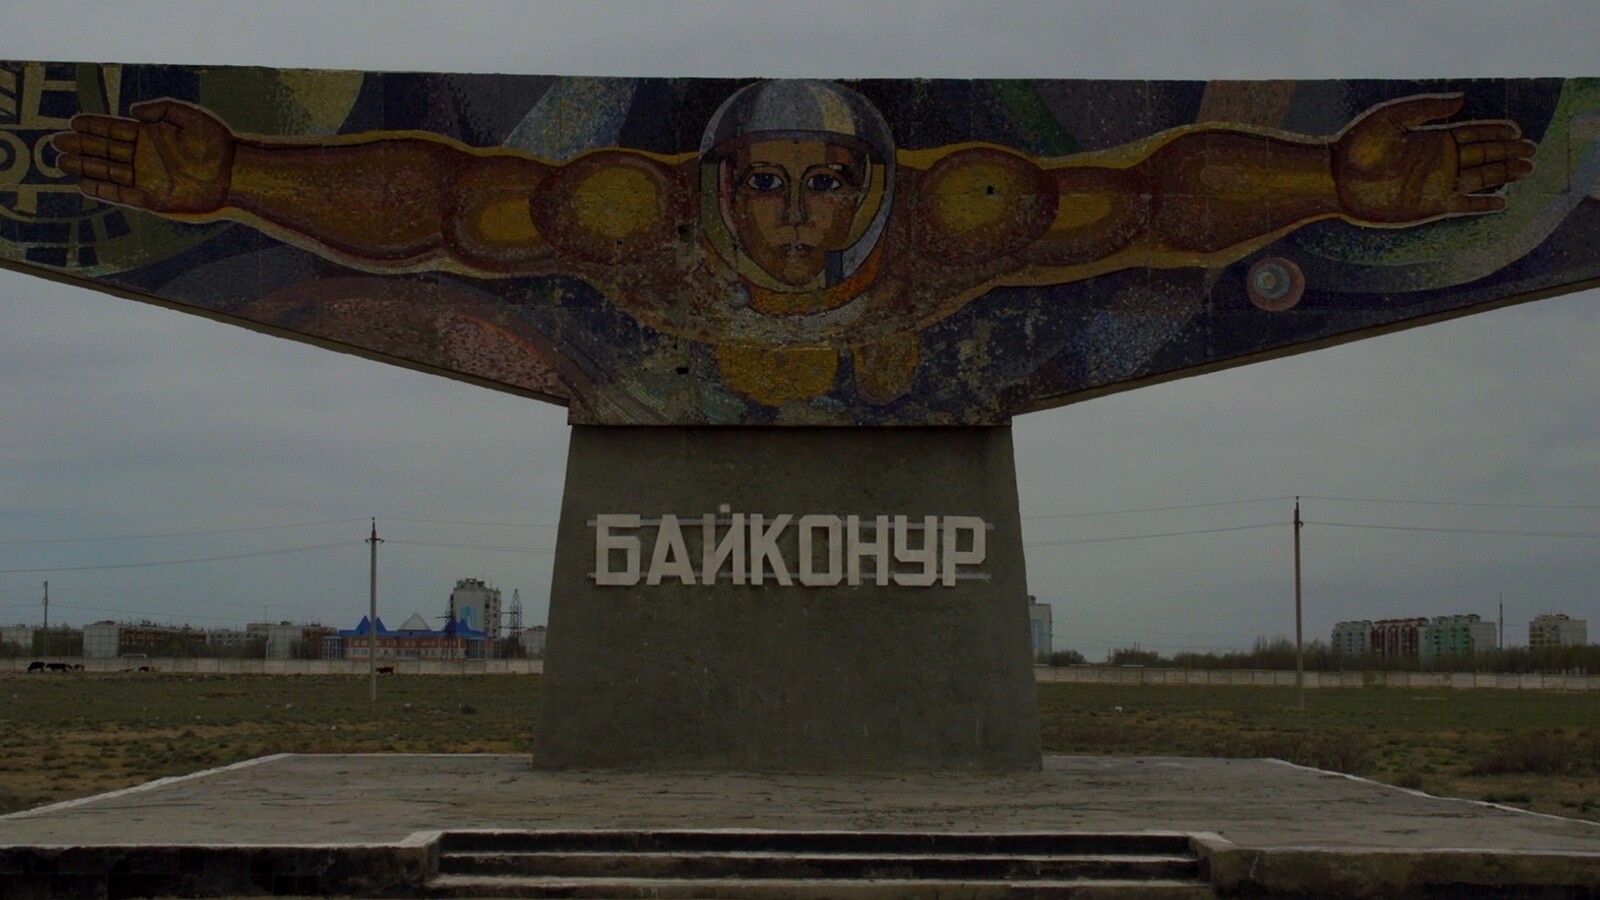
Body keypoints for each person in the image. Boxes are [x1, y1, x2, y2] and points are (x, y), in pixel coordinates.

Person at [53, 79, 1535, 408]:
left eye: (825, 187)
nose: (792, 221)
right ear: (716, 186)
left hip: (907, 366)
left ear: (876, 183)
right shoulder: (634, 223)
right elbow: (448, 204)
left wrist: (1341, 177)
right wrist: (242, 171)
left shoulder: (968, 217)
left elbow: (1152, 203)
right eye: (763, 188)